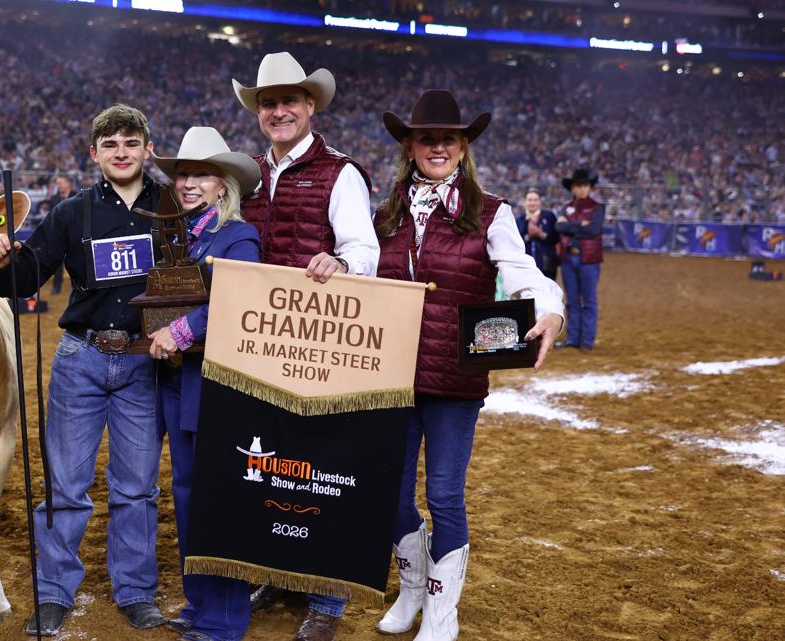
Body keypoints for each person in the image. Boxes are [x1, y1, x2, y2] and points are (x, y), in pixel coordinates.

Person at [373, 90, 564, 641]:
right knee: (390, 493)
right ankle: (412, 589)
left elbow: (521, 271)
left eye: (448, 140)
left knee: (443, 495)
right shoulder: (385, 214)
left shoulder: (491, 211)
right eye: (427, 139)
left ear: (462, 148)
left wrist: (549, 309)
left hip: (453, 379)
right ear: (410, 147)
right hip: (390, 375)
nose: (438, 147)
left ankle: (442, 610)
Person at [0, 104, 167, 637]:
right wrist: (2, 258)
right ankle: (55, 592)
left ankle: (136, 591)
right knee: (65, 486)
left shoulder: (173, 207)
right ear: (94, 153)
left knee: (137, 488)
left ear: (148, 149)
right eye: (110, 145)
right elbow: (24, 280)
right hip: (80, 359)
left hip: (144, 360)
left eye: (130, 143)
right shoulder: (71, 212)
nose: (121, 153)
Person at [232, 51, 380, 641]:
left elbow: (364, 252)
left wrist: (339, 262)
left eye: (289, 100)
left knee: (322, 467)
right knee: (270, 467)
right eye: (268, 103)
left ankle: (327, 599)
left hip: (320, 342)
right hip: (258, 343)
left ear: (310, 105)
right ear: (258, 111)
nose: (278, 111)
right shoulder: (245, 174)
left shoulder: (340, 172)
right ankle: (282, 573)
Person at [147, 126, 262, 641]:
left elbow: (239, 300)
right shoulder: (182, 236)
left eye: (201, 175)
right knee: (188, 493)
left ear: (223, 185)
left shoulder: (239, 236)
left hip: (217, 383)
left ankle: (225, 618)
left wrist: (181, 330)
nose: (189, 183)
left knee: (218, 498)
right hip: (180, 381)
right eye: (183, 175)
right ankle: (200, 603)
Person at [555, 168, 605, 352]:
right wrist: (579, 225)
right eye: (579, 186)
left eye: (585, 186)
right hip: (568, 259)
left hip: (588, 260)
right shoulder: (566, 207)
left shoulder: (597, 208)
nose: (583, 189)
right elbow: (559, 227)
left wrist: (569, 226)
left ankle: (586, 340)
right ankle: (573, 338)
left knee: (588, 300)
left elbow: (593, 230)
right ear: (573, 188)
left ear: (589, 187)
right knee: (572, 300)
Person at [514, 189, 559, 280]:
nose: (532, 203)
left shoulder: (549, 216)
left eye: (535, 200)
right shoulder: (519, 220)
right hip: (525, 266)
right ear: (525, 202)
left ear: (540, 202)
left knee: (547, 288)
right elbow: (515, 242)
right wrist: (528, 236)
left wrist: (542, 235)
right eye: (530, 200)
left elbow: (556, 238)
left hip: (547, 265)